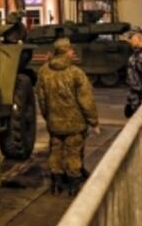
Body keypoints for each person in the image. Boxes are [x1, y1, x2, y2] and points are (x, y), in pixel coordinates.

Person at [35, 38, 100, 195]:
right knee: (73, 152)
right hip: (75, 123)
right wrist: (93, 121)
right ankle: (73, 185)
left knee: (55, 150)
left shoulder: (44, 72)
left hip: (54, 122)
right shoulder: (76, 73)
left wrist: (48, 116)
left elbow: (41, 98)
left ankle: (56, 183)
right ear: (66, 52)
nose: (72, 52)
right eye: (71, 50)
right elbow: (86, 100)